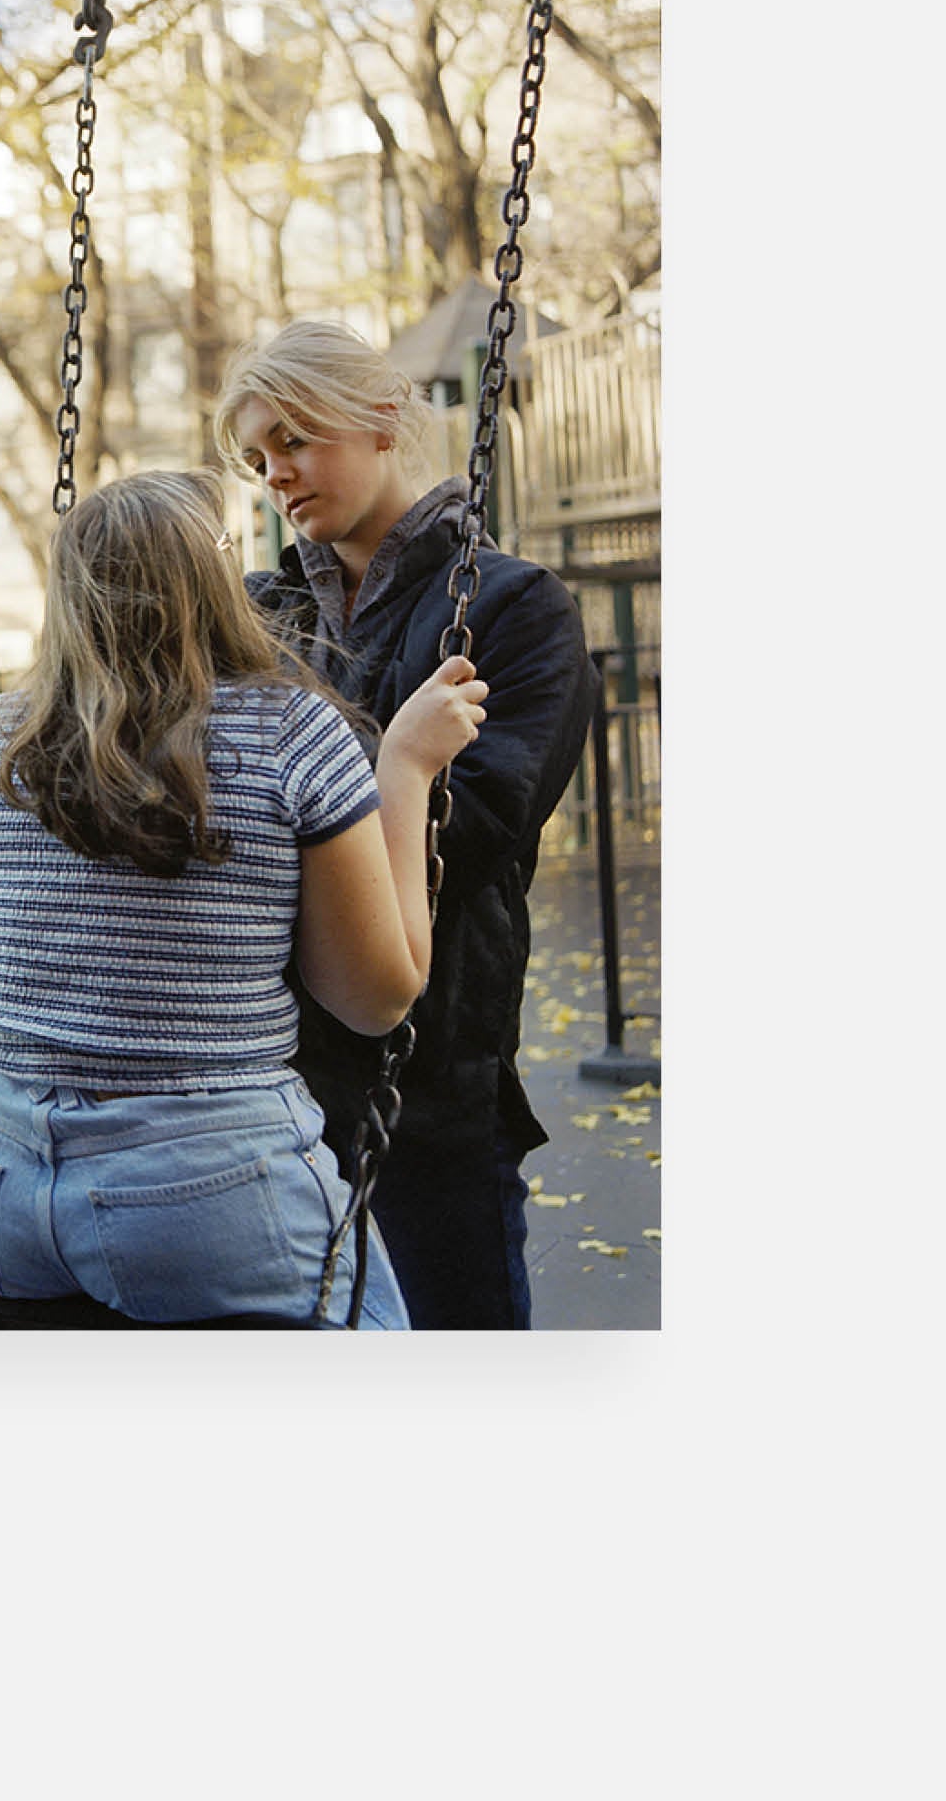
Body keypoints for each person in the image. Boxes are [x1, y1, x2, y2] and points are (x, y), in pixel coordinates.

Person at [0, 471, 490, 1328]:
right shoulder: (290, 731)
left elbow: (8, 956)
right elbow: (377, 997)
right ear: (210, 581)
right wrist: (408, 771)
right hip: (202, 1178)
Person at [215, 319, 597, 1330]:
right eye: (259, 458)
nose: (277, 475)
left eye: (294, 438)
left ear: (384, 419)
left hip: (429, 1073)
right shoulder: (260, 619)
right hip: (271, 1070)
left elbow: (468, 836)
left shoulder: (514, 609)